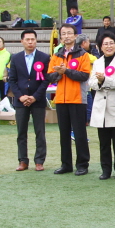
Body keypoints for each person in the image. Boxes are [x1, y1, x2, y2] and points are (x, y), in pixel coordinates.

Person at [47, 26, 91, 175]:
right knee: (64, 133)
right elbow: (50, 76)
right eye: (63, 34)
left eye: (69, 33)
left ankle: (82, 164)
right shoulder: (56, 55)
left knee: (79, 133)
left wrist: (66, 71)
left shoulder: (82, 54)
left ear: (75, 36)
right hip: (61, 99)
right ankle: (66, 164)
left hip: (78, 98)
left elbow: (84, 75)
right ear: (60, 38)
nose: (66, 36)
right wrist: (59, 74)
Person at [8, 29, 51, 171]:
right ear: (22, 41)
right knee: (21, 132)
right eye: (27, 39)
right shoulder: (15, 58)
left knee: (40, 131)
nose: (30, 42)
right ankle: (23, 161)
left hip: (37, 100)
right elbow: (12, 80)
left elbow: (46, 81)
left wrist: (34, 97)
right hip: (20, 101)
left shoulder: (44, 58)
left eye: (33, 39)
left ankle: (39, 161)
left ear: (36, 41)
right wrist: (20, 96)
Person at [89, 34, 115, 180]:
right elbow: (92, 83)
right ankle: (105, 170)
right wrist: (99, 82)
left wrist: (104, 79)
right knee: (104, 142)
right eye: (105, 44)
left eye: (111, 43)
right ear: (100, 47)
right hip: (101, 106)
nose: (108, 46)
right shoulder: (97, 63)